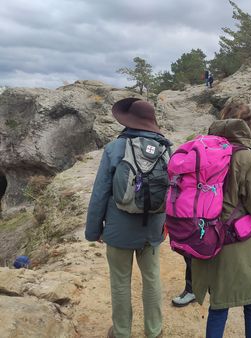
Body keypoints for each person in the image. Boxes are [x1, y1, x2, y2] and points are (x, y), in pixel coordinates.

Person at [85, 98, 171, 338]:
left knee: (120, 282)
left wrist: (94, 231)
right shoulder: (166, 149)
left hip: (118, 229)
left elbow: (100, 192)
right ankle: (154, 330)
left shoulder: (115, 148)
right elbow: (170, 190)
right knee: (152, 278)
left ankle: (122, 332)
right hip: (153, 229)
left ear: (128, 120)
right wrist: (166, 226)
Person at [191, 103, 251, 338]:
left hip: (206, 237)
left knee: (218, 306)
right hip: (238, 242)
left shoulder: (202, 150)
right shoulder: (246, 157)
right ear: (248, 127)